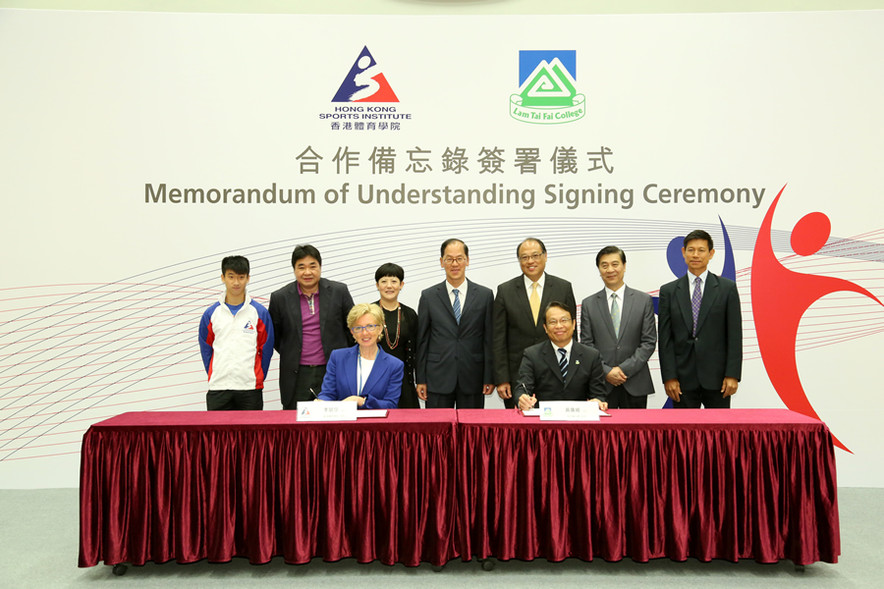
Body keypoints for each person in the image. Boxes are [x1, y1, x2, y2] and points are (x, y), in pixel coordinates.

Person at [658, 229, 742, 408]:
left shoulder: (727, 289)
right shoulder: (669, 291)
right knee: (684, 435)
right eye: (691, 250)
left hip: (719, 379)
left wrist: (732, 375)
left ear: (711, 254)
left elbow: (734, 335)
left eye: (701, 250)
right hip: (682, 380)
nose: (695, 255)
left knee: (720, 435)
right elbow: (665, 339)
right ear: (683, 252)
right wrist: (669, 377)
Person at [493, 238, 576, 408]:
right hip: (519, 379)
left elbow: (572, 334)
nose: (530, 261)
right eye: (524, 257)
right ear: (519, 261)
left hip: (559, 375)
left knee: (556, 431)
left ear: (545, 256)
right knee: (520, 432)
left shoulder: (563, 287)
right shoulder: (505, 291)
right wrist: (502, 379)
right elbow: (498, 339)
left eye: (535, 255)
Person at [269, 244, 354, 410]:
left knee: (335, 424)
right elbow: (276, 337)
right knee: (296, 427)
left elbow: (352, 328)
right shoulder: (280, 297)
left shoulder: (339, 291)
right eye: (301, 267)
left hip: (332, 370)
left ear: (320, 267)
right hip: (296, 374)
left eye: (312, 266)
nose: (307, 272)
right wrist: (294, 353)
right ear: (294, 269)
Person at [416, 238, 494, 409]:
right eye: (449, 259)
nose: (454, 263)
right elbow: (422, 340)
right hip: (437, 377)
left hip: (473, 375)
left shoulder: (484, 295)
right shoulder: (428, 296)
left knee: (471, 433)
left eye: (459, 258)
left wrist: (489, 376)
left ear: (467, 260)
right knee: (437, 432)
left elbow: (489, 339)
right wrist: (420, 378)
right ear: (441, 262)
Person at [579, 245, 657, 408]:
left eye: (615, 264)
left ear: (624, 266)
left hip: (635, 381)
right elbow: (587, 344)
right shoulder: (589, 304)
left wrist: (623, 370)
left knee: (636, 433)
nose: (610, 270)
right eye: (604, 265)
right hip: (601, 384)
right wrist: (607, 371)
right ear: (599, 269)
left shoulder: (643, 300)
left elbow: (648, 342)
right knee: (603, 434)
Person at [198, 255, 274, 410]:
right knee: (217, 435)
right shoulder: (211, 314)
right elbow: (206, 349)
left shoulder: (259, 313)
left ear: (248, 278)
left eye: (241, 277)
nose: (236, 282)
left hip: (250, 388)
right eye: (231, 277)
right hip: (218, 388)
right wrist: (216, 373)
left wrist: (257, 377)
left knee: (251, 435)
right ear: (222, 278)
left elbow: (266, 349)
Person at [515, 301, 608, 411]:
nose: (559, 326)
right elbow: (522, 387)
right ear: (545, 328)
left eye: (564, 320)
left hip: (579, 419)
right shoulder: (532, 354)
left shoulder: (591, 355)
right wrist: (523, 399)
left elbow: (598, 393)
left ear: (573, 324)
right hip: (545, 420)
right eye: (553, 322)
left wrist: (598, 400)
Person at [317, 303, 404, 409]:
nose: (364, 333)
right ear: (352, 332)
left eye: (370, 326)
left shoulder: (394, 365)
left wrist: (361, 401)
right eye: (358, 328)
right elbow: (327, 394)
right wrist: (320, 403)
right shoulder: (338, 357)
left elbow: (390, 405)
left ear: (380, 329)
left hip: (375, 424)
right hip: (343, 423)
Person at [373, 263, 420, 408]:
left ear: (401, 284)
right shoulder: (369, 312)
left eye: (394, 281)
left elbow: (417, 349)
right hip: (375, 379)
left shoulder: (410, 314)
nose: (389, 286)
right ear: (377, 285)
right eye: (384, 281)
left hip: (404, 379)